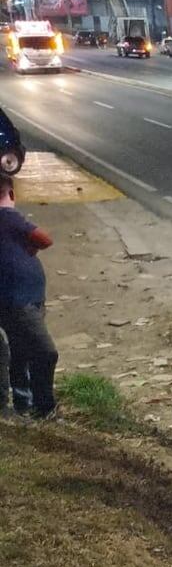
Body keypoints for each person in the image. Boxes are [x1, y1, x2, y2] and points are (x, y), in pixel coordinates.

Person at [0, 173, 58, 417]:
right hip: (19, 299)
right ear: (11, 194)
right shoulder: (8, 216)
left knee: (19, 350)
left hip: (21, 296)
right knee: (45, 352)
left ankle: (23, 403)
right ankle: (44, 408)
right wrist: (31, 248)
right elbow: (45, 239)